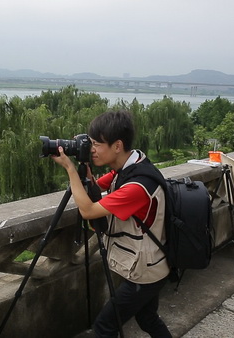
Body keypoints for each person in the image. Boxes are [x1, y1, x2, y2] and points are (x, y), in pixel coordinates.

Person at [52, 110, 172, 337]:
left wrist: (70, 169)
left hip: (146, 272)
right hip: (153, 264)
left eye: (97, 144)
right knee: (147, 318)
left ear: (117, 146)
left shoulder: (136, 185)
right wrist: (85, 171)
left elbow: (87, 210)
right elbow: (96, 187)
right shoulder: (129, 165)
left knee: (105, 326)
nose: (92, 149)